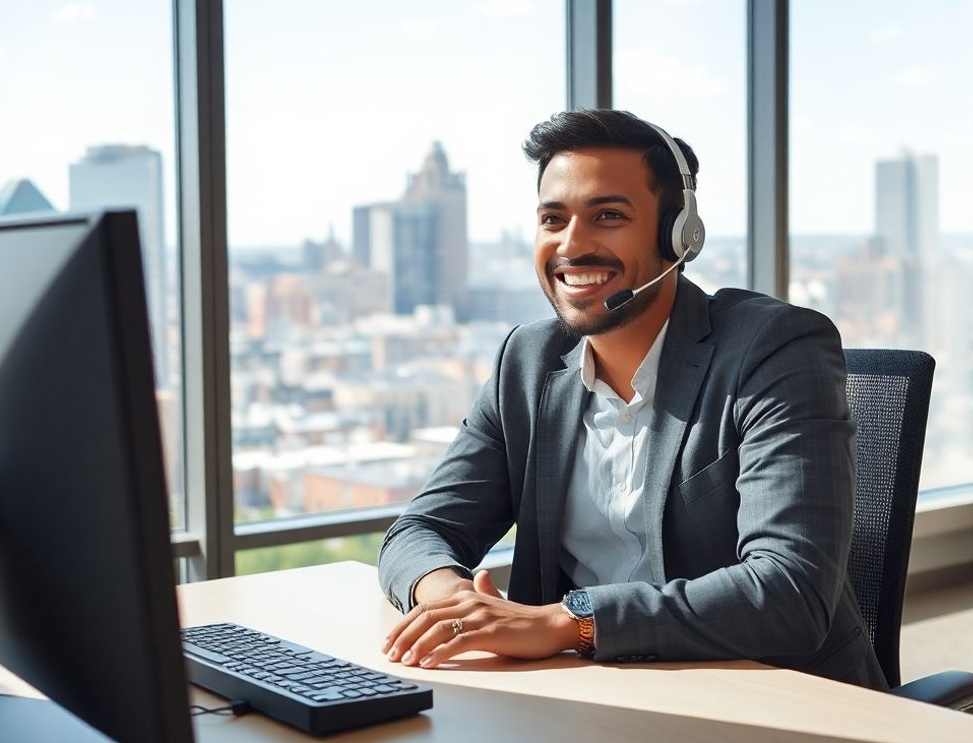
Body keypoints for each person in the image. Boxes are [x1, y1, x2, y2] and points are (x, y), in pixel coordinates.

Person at [377, 109, 886, 690]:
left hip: (766, 698)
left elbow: (790, 592)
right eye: (552, 218)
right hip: (580, 696)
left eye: (608, 216)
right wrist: (452, 603)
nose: (572, 245)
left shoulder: (773, 350)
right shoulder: (528, 361)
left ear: (680, 235)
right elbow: (419, 530)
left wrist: (569, 622)